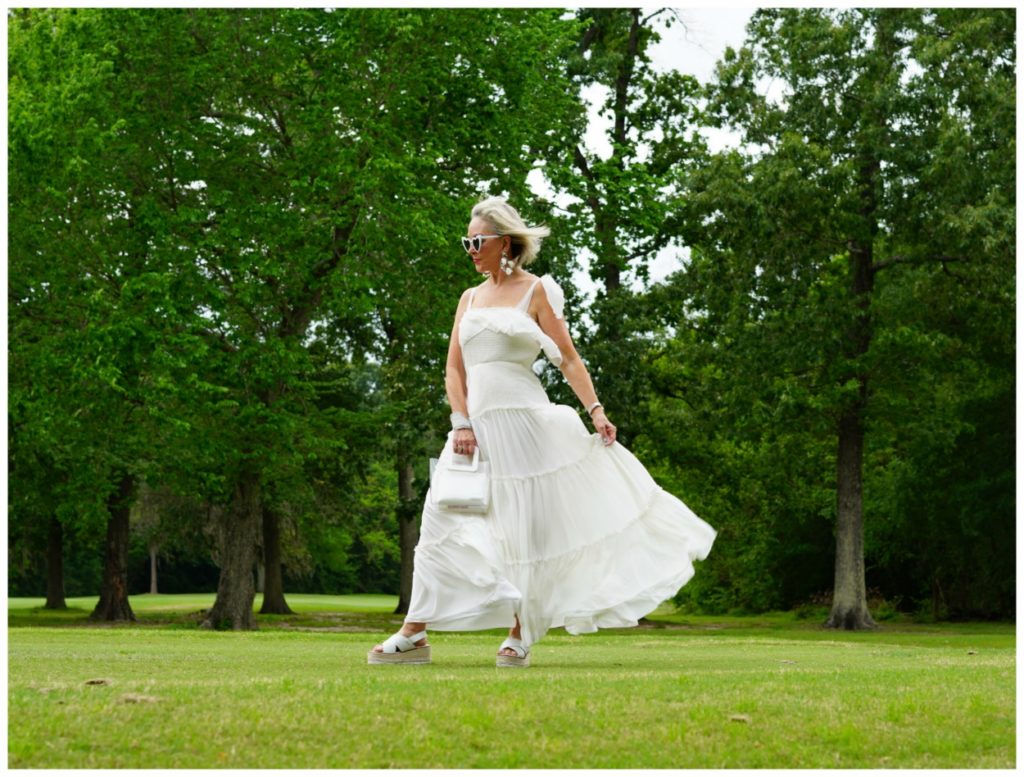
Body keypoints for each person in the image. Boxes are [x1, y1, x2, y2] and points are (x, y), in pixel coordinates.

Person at [369, 196, 716, 667]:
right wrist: (461, 421)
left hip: (525, 426)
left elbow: (567, 357)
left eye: (478, 241)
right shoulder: (468, 300)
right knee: (439, 524)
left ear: (504, 243)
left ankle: (520, 633)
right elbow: (454, 370)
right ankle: (415, 633)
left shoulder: (536, 292)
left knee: (525, 532)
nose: (470, 249)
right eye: (466, 241)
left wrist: (595, 410)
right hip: (472, 431)